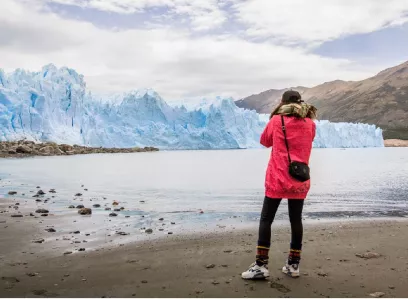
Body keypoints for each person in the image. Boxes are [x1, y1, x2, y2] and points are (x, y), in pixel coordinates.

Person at [242, 90, 317, 280]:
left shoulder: (277, 121)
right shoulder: (310, 124)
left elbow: (264, 141)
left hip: (277, 178)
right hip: (299, 178)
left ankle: (261, 265)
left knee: (266, 219)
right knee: (295, 220)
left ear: (282, 103)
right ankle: (293, 265)